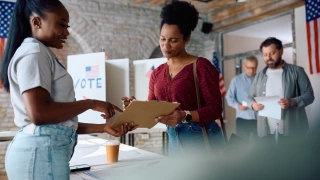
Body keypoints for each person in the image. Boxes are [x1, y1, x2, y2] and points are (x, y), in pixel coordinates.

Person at [0, 0, 137, 179]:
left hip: (39, 154)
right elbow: (40, 115)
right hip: (40, 155)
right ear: (37, 22)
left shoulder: (38, 52)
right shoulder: (34, 53)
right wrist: (91, 103)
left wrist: (104, 127)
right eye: (61, 25)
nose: (66, 32)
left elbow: (56, 124)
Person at [122, 1, 224, 155]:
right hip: (173, 138)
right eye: (163, 39)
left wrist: (184, 115)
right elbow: (153, 106)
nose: (166, 46)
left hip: (201, 137)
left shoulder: (201, 66)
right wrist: (136, 108)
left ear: (186, 39)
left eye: (173, 40)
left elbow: (215, 108)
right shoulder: (157, 73)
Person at [247, 37, 314, 138]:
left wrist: (292, 101)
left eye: (272, 53)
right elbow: (250, 98)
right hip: (266, 131)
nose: (268, 57)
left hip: (294, 131)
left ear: (281, 51)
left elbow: (309, 96)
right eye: (265, 55)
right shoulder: (259, 76)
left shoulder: (297, 71)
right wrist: (253, 105)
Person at [226, 56, 258, 140]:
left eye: (254, 68)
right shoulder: (236, 80)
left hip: (259, 119)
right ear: (244, 66)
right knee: (241, 145)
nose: (251, 71)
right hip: (243, 119)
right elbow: (229, 97)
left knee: (261, 145)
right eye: (249, 68)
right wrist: (238, 106)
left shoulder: (260, 79)